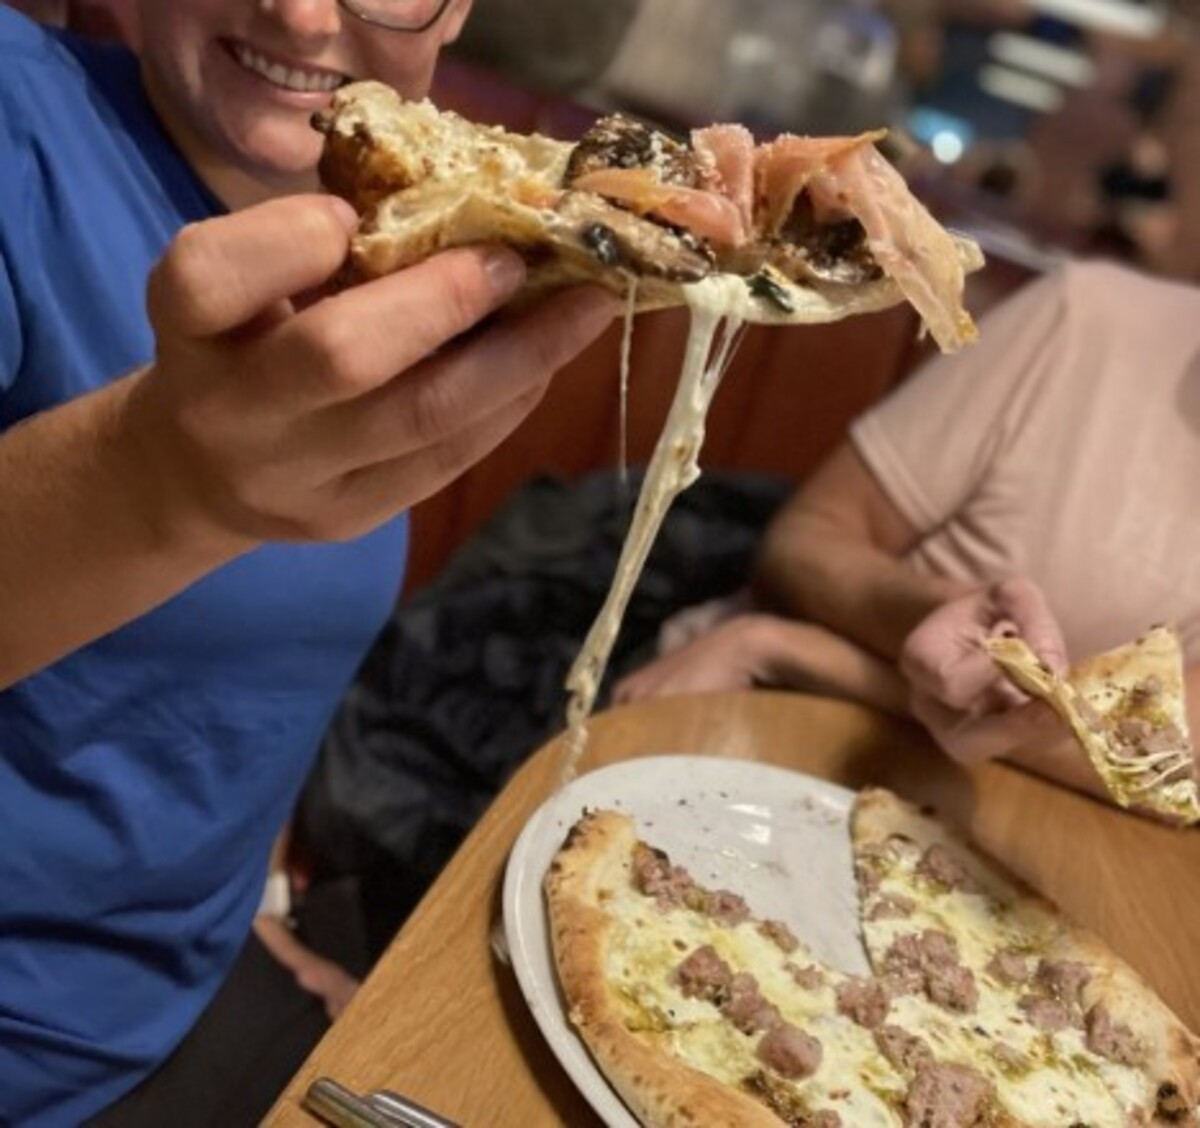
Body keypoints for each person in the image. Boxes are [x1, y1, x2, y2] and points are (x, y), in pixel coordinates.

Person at [0, 2, 617, 1124]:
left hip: (194, 995)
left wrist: (251, 915)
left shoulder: (420, 219)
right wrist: (157, 481)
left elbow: (201, 706)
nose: (298, 10)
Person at [614, 259, 1200, 808]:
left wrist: (790, 651)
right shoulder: (1085, 319)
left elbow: (1163, 773)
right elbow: (804, 542)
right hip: (752, 714)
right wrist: (930, 614)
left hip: (983, 822)